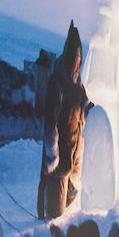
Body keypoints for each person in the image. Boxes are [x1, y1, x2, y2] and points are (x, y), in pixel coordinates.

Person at [37, 23, 90, 219]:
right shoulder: (57, 82)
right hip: (59, 157)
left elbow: (83, 103)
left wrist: (91, 111)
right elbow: (50, 123)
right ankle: (44, 227)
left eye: (79, 61)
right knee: (54, 216)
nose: (76, 65)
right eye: (74, 60)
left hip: (74, 152)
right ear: (68, 58)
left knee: (72, 193)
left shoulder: (77, 83)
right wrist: (53, 156)